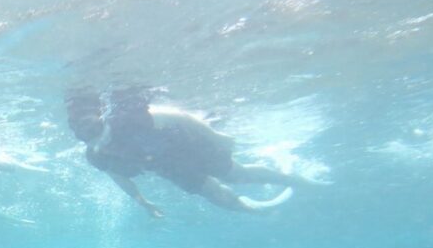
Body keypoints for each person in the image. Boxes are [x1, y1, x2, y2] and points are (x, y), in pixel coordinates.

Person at [66, 88, 322, 217]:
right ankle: (258, 209)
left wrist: (215, 135)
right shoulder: (96, 154)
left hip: (187, 145)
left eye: (93, 125)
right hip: (168, 166)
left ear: (102, 118)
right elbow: (119, 178)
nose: (91, 133)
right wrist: (142, 202)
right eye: (83, 131)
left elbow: (181, 116)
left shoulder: (127, 119)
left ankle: (294, 180)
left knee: (236, 175)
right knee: (218, 197)